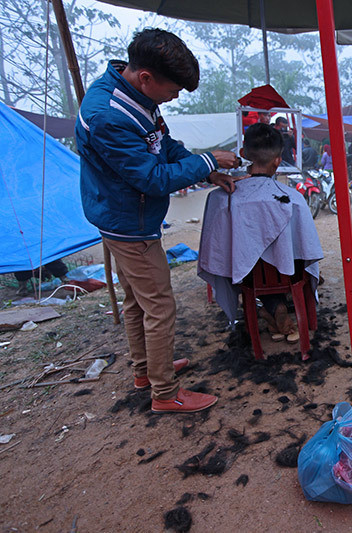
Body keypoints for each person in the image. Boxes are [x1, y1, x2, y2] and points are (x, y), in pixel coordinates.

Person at [75, 29, 239, 414]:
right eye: (174, 89)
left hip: (128, 214)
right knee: (160, 306)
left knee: (137, 300)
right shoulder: (108, 116)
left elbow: (162, 145)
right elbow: (152, 177)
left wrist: (206, 170)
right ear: (147, 77)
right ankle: (165, 393)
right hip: (128, 224)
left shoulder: (139, 96)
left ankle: (145, 370)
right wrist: (209, 160)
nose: (175, 97)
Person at [197, 123, 323, 354]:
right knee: (288, 258)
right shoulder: (293, 198)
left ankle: (270, 308)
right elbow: (308, 248)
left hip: (244, 276)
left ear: (242, 154)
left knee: (252, 259)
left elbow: (216, 251)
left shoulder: (221, 198)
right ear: (278, 161)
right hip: (288, 274)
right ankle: (278, 306)